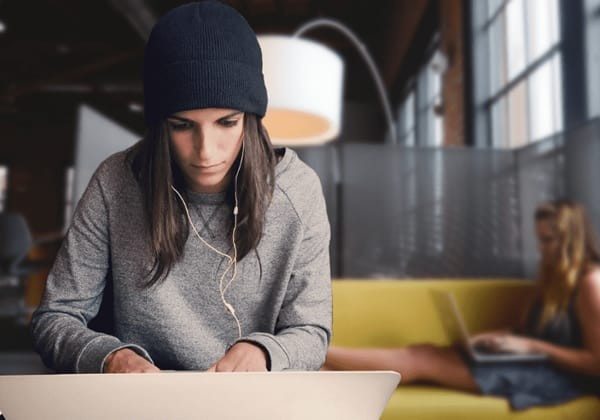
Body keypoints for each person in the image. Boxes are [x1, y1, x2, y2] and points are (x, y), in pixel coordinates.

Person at [31, 0, 332, 374]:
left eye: (226, 122)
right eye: (182, 125)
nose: (206, 152)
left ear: (250, 120)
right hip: (141, 405)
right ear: (160, 125)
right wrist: (112, 359)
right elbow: (55, 317)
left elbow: (312, 332)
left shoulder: (297, 192)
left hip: (255, 402)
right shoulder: (115, 183)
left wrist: (265, 354)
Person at [323, 200, 600, 409]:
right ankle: (316, 367)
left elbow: (595, 363)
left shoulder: (590, 283)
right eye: (540, 240)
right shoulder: (554, 279)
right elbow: (532, 332)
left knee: (422, 360)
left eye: (548, 240)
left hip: (558, 379)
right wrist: (500, 338)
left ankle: (319, 350)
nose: (541, 249)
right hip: (533, 363)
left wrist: (533, 347)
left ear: (570, 239)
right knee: (425, 352)